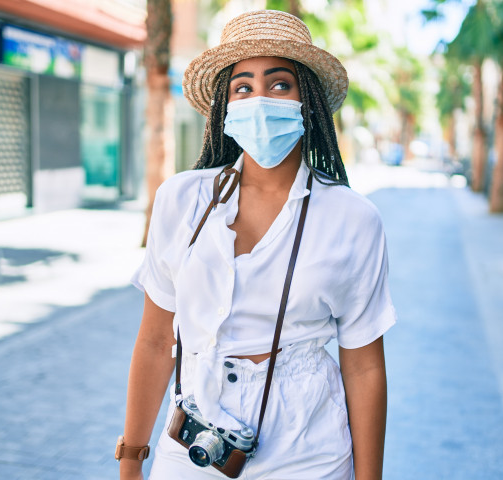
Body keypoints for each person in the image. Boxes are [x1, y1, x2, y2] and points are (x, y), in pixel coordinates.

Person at [118, 10, 396, 480]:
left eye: (280, 84)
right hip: (191, 448)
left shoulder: (353, 218)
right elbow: (155, 339)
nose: (260, 99)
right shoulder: (181, 200)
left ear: (306, 101)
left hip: (309, 449)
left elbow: (365, 366)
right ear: (226, 108)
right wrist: (131, 461)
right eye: (243, 87)